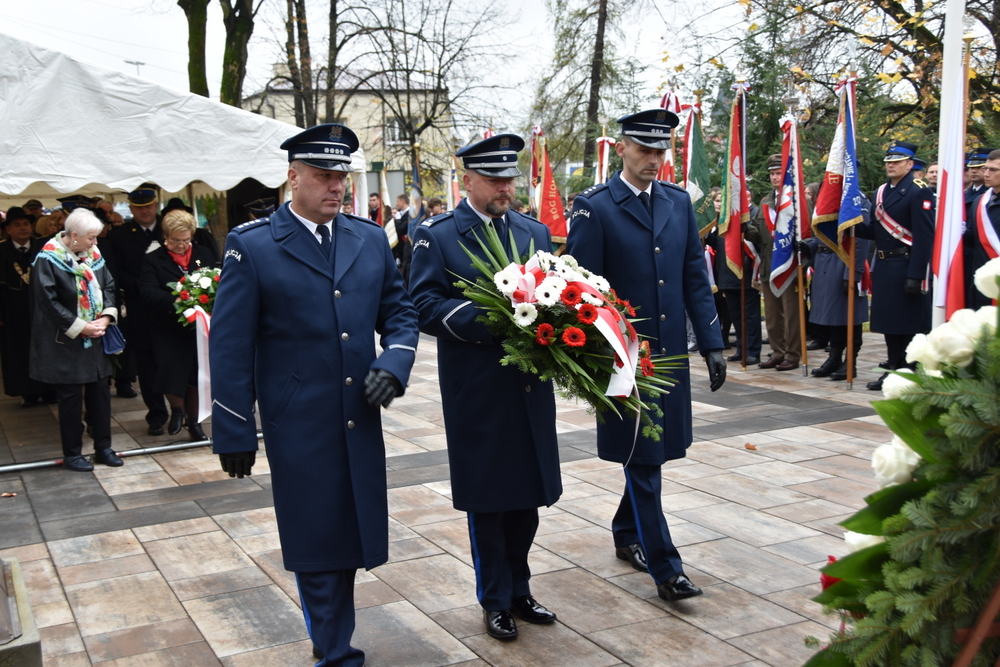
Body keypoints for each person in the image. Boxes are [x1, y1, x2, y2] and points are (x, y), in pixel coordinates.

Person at [210, 123, 419, 667]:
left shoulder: (369, 237)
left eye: (341, 177)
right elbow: (229, 346)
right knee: (316, 536)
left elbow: (398, 313)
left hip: (358, 413)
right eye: (324, 176)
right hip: (297, 419)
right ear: (293, 177)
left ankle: (332, 639)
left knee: (348, 530)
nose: (336, 188)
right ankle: (334, 651)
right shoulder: (253, 246)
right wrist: (234, 427)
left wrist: (394, 363)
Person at [566, 109, 726, 603]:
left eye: (661, 151)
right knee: (643, 457)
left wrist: (713, 342)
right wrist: (594, 357)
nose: (654, 159)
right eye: (644, 149)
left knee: (655, 453)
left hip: (669, 354)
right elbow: (580, 291)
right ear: (622, 149)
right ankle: (666, 567)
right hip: (623, 357)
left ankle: (625, 530)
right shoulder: (594, 207)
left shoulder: (678, 203)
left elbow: (693, 279)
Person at [409, 134, 562, 641]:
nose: (505, 187)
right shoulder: (439, 234)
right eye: (494, 179)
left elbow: (554, 291)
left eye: (509, 178)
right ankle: (494, 597)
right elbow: (425, 303)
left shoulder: (533, 230)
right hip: (477, 385)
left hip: (528, 384)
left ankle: (520, 588)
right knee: (489, 499)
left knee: (527, 497)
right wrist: (494, 321)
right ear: (467, 180)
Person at [29, 209, 122, 472]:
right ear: (74, 236)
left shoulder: (93, 254)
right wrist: (81, 327)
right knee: (70, 398)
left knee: (100, 393)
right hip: (66, 339)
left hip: (96, 336)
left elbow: (110, 286)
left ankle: (104, 447)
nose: (96, 243)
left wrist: (105, 318)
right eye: (91, 238)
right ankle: (72, 453)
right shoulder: (48, 259)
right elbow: (47, 302)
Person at [855, 141, 934, 391]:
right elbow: (875, 231)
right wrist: (852, 225)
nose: (891, 165)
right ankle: (892, 368)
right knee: (890, 325)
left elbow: (924, 237)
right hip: (885, 265)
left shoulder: (918, 190)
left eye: (897, 161)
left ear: (910, 165)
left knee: (908, 326)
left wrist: (916, 274)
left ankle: (908, 372)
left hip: (906, 264)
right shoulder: (882, 192)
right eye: (888, 161)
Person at [139, 210, 214, 441]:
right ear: (165, 237)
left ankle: (194, 422)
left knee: (196, 374)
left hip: (197, 330)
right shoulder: (153, 259)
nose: (181, 245)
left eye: (185, 240)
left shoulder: (205, 254)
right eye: (175, 241)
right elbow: (147, 291)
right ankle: (177, 411)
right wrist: (180, 302)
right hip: (168, 327)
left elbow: (218, 279)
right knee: (171, 372)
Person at [108, 185, 169, 427]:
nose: (145, 211)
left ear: (156, 205)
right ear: (131, 208)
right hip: (140, 307)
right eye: (139, 207)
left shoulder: (169, 228)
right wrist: (140, 286)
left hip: (169, 304)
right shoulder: (120, 235)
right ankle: (156, 413)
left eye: (149, 206)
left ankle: (182, 411)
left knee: (175, 360)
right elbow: (116, 271)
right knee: (146, 362)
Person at [802, 201, 871, 381]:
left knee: (850, 317)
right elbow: (823, 233)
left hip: (844, 262)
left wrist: (852, 273)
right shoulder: (831, 197)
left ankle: (850, 362)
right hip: (824, 262)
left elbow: (861, 241)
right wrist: (808, 247)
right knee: (833, 317)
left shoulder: (857, 199)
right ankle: (834, 358)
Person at [747, 154, 801, 371]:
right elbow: (758, 234)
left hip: (788, 264)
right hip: (769, 264)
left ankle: (793, 354)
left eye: (779, 173)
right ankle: (778, 352)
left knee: (791, 315)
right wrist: (742, 227)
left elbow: (804, 230)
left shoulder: (796, 200)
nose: (775, 177)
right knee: (771, 315)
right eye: (772, 173)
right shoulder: (765, 202)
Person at [0, 207, 51, 407]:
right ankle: (27, 392)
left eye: (25, 224)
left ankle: (49, 389)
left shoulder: (42, 248)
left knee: (46, 349)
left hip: (42, 309)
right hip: (13, 311)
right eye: (17, 225)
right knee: (20, 352)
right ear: (8, 230)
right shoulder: (2, 251)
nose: (22, 228)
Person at [964, 149, 1000, 310]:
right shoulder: (980, 201)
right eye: (986, 168)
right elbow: (973, 241)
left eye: (993, 170)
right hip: (981, 280)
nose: (986, 173)